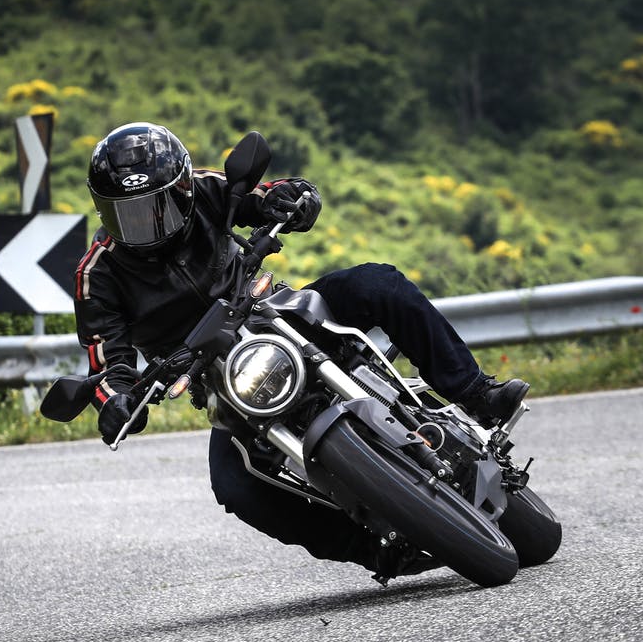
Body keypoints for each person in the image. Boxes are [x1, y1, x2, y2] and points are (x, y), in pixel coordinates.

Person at [71, 121, 528, 579]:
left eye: (161, 207)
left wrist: (290, 198)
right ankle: (372, 549)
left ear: (184, 189)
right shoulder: (99, 274)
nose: (149, 224)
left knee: (377, 283)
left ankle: (476, 394)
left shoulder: (208, 191)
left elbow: (261, 194)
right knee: (235, 485)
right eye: (129, 214)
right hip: (215, 377)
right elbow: (108, 361)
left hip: (274, 311)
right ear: (104, 211)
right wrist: (116, 400)